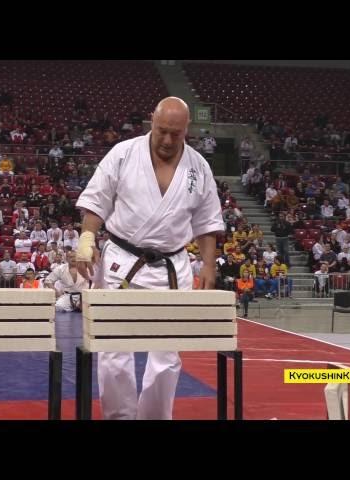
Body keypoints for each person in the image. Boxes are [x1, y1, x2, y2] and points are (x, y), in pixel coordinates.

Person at [75, 97, 224, 420]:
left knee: (167, 355)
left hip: (172, 268)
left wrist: (209, 265)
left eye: (177, 134)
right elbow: (97, 200)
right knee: (114, 350)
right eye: (162, 131)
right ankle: (120, 418)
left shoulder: (198, 167)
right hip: (122, 263)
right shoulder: (124, 153)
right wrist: (86, 239)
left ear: (187, 130)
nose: (168, 140)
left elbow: (207, 221)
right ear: (151, 124)